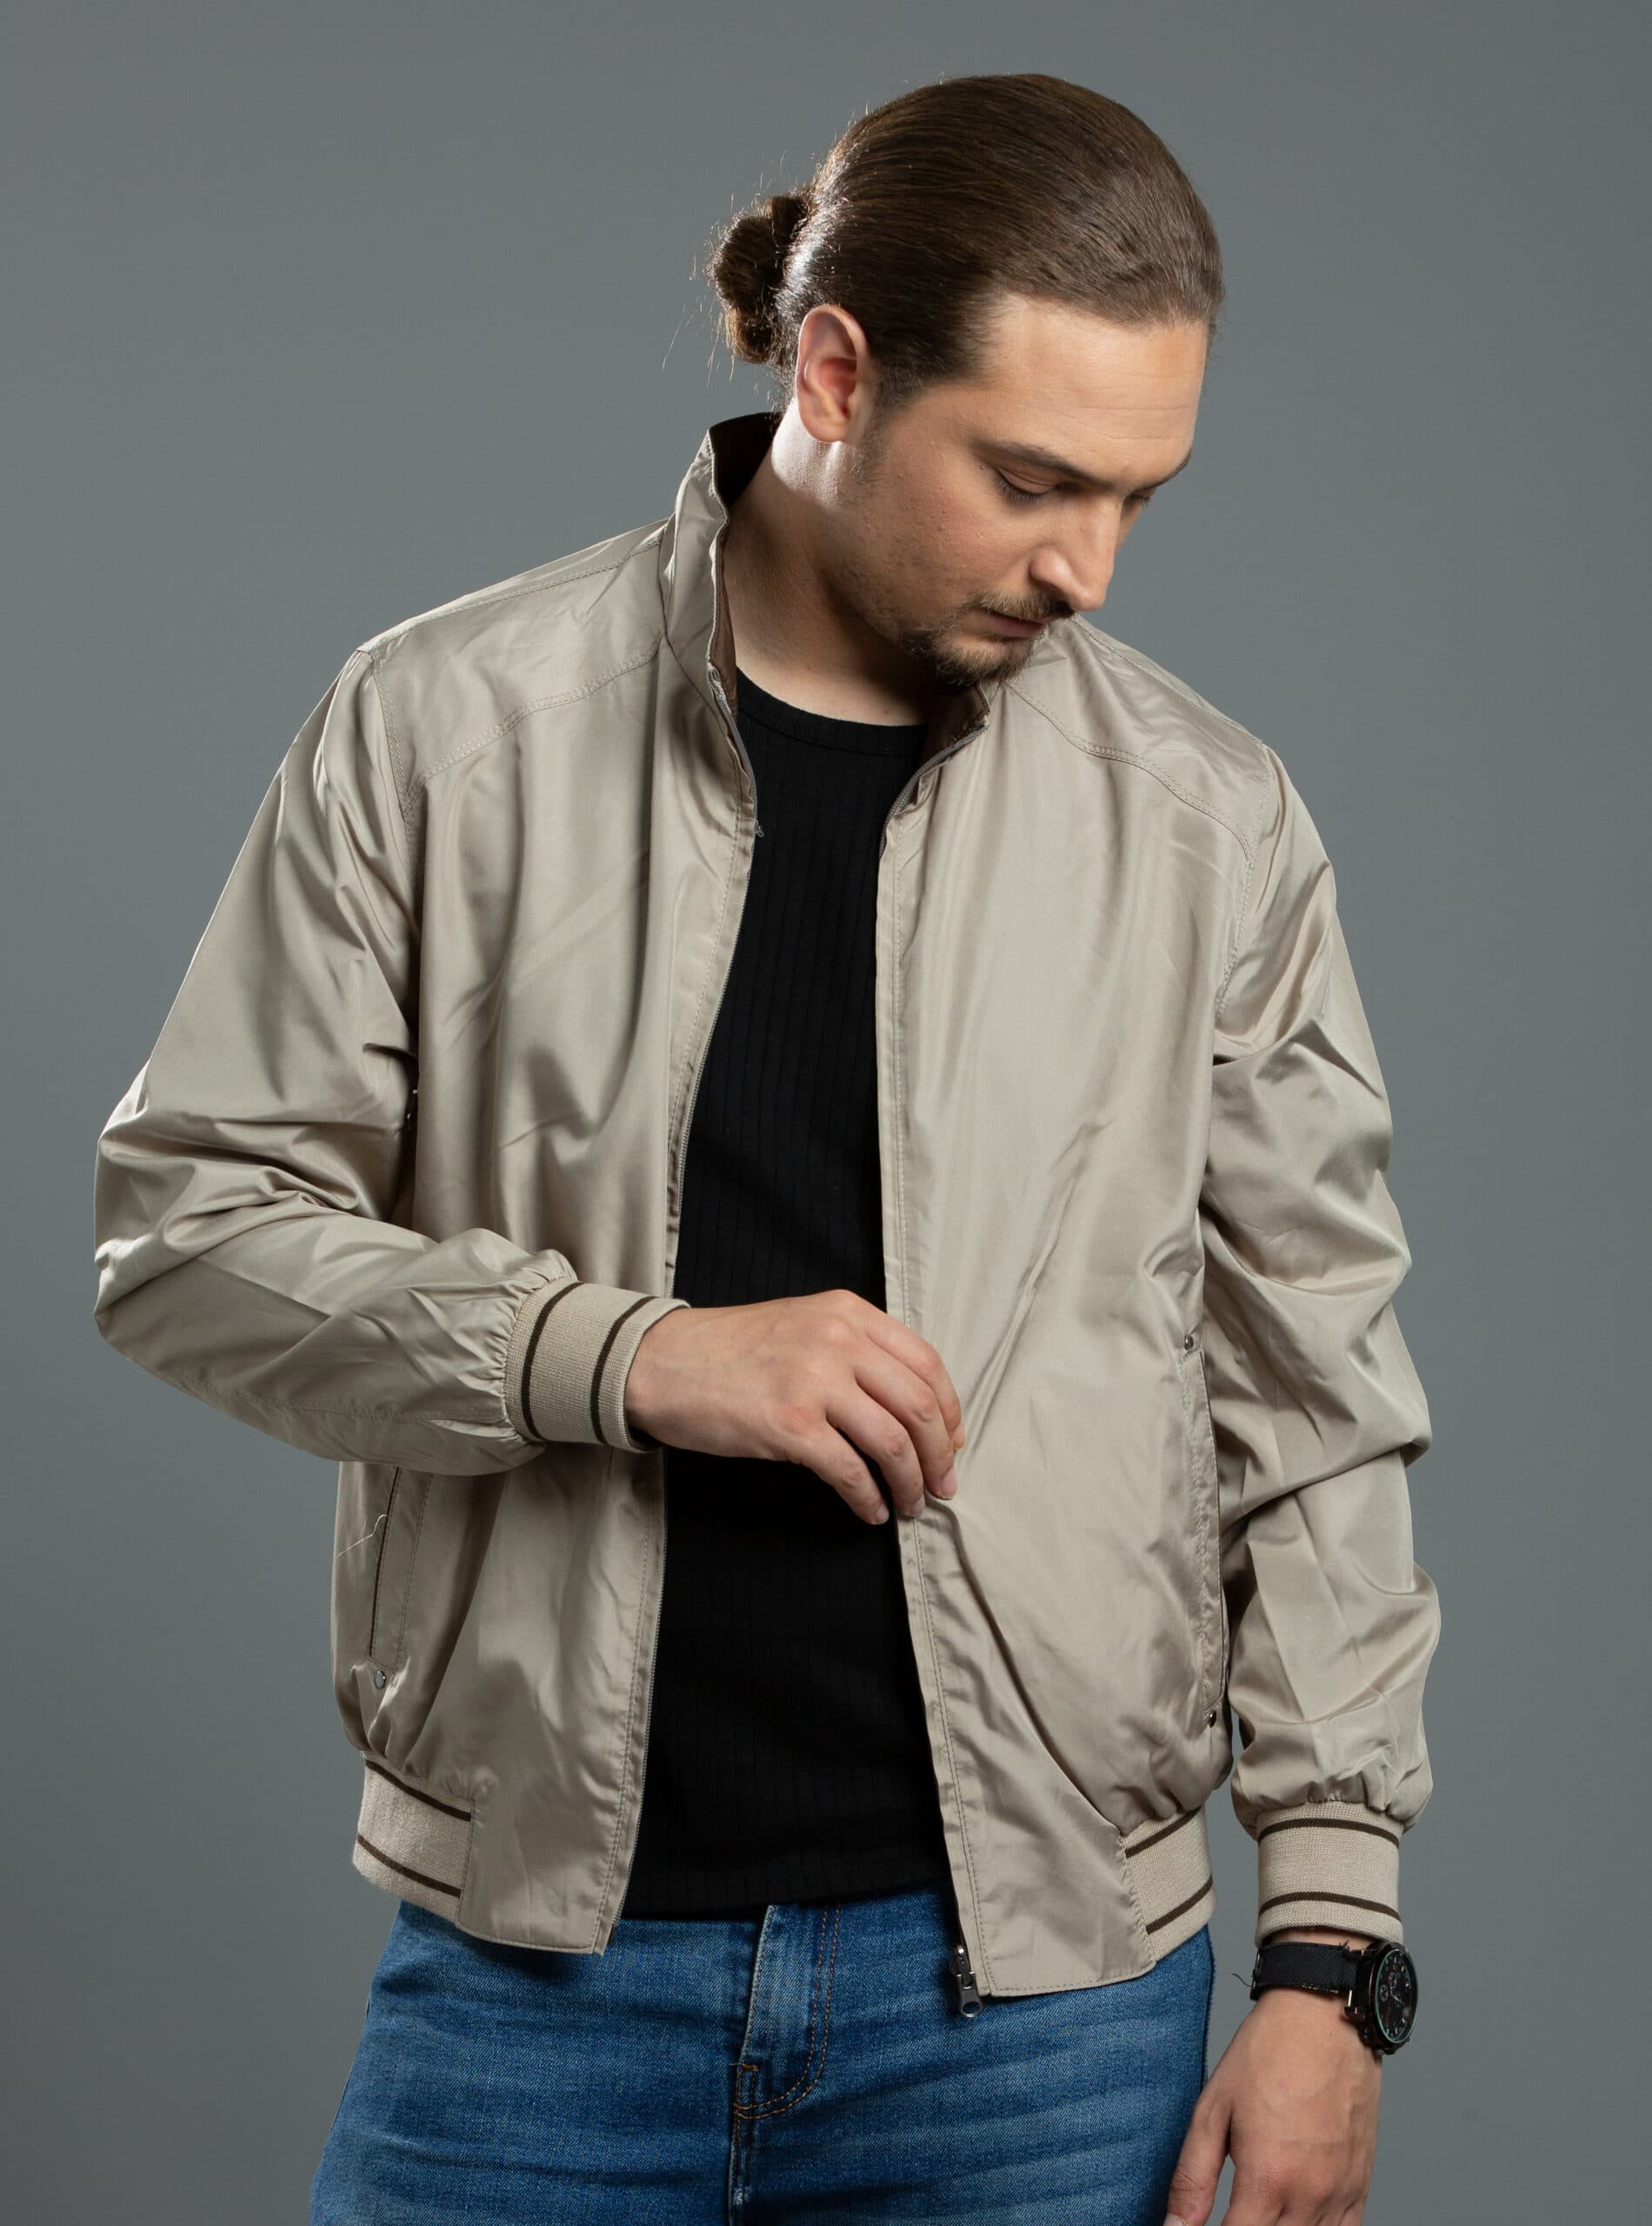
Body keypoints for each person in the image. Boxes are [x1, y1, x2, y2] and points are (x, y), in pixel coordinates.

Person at [90, 69, 1440, 2226]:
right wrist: (625, 1353)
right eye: (1030, 479)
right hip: (534, 1980)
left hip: (1041, 2010)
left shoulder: (1206, 824)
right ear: (833, 373)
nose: (1085, 565)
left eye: (1135, 497)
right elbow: (182, 1235)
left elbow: (1314, 1399)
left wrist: (1327, 1952)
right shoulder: (447, 729)